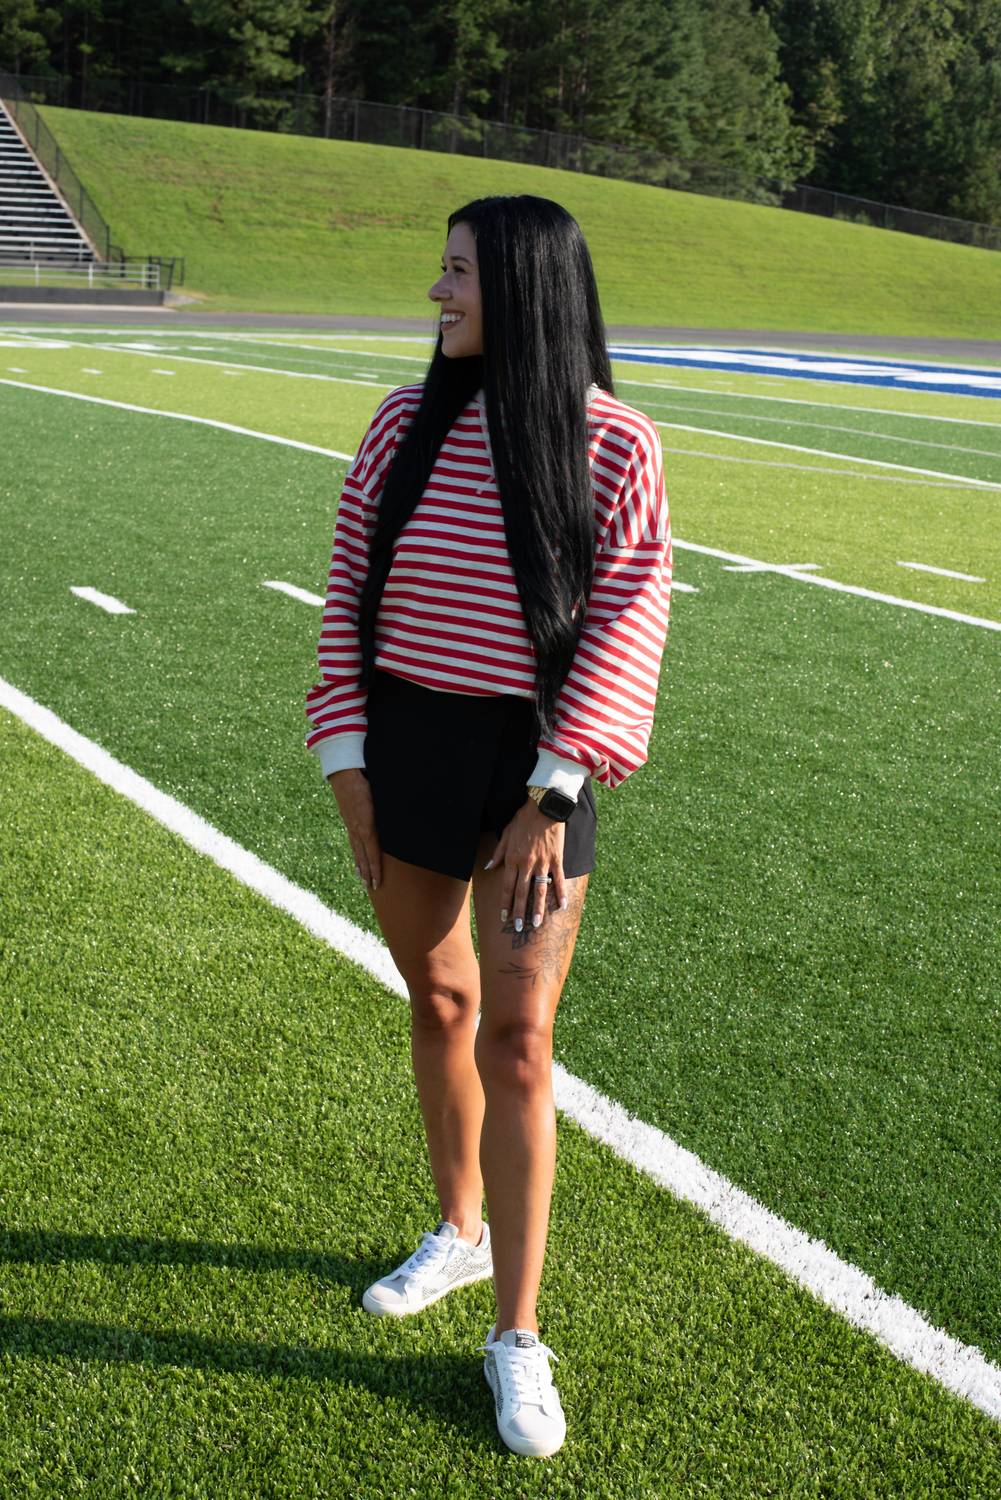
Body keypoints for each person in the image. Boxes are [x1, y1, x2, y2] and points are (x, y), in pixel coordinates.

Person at [305, 194, 671, 1459]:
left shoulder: (615, 443)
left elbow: (626, 618)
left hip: (534, 771)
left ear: (522, 287)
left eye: (457, 271)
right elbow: (347, 592)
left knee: (518, 1040)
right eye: (441, 269)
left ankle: (516, 1333)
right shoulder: (399, 423)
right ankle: (458, 1232)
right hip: (403, 749)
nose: (436, 292)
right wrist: (346, 760)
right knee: (440, 1000)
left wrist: (551, 792)